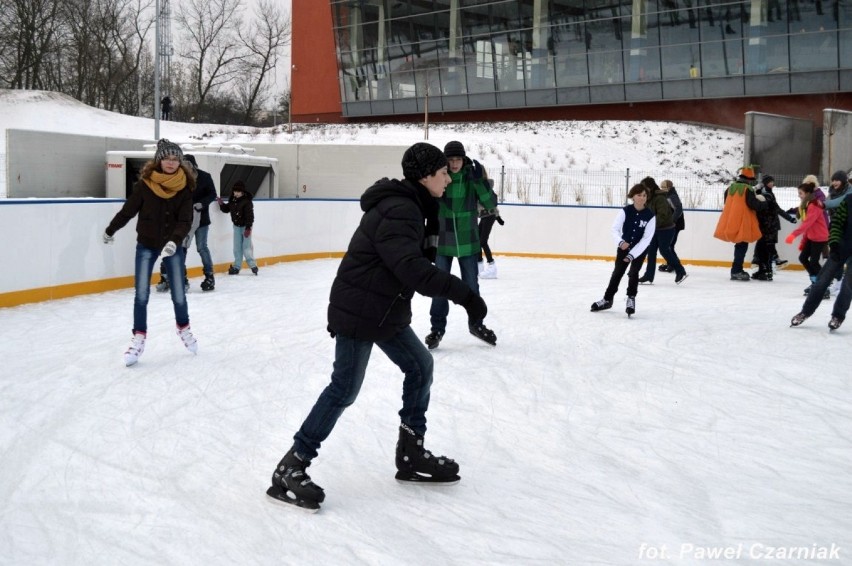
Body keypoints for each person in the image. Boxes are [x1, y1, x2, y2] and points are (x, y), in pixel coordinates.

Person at [266, 143, 489, 511]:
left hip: (384, 310)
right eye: (442, 172)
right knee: (344, 389)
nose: (449, 177)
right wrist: (464, 294)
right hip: (361, 310)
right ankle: (291, 466)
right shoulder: (400, 210)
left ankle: (411, 453)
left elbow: (414, 262)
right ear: (424, 176)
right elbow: (413, 270)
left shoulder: (417, 206)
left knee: (420, 366)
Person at [102, 139, 198, 366]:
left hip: (172, 246)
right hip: (147, 243)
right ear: (159, 160)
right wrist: (111, 229)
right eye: (167, 158)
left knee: (178, 293)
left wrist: (175, 241)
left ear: (180, 162)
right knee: (142, 294)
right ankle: (139, 337)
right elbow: (128, 211)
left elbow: (186, 220)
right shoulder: (145, 185)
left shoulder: (185, 188)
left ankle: (183, 328)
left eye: (175, 159)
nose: (171, 163)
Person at [424, 140, 498, 349]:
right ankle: (436, 329)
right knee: (439, 287)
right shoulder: (440, 177)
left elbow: (491, 203)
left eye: (458, 159)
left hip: (468, 241)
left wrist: (479, 182)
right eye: (451, 159)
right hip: (443, 241)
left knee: (471, 287)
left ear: (463, 159)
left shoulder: (471, 177)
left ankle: (476, 324)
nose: (454, 164)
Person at [590, 184, 656, 317]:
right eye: (639, 195)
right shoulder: (625, 211)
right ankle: (607, 299)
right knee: (617, 273)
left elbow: (646, 239)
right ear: (633, 196)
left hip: (639, 250)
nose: (642, 198)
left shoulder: (650, 216)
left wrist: (632, 255)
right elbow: (614, 229)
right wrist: (621, 242)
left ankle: (631, 298)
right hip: (623, 248)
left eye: (644, 195)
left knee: (633, 273)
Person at [790, 189, 852, 330]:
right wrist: (834, 243)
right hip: (841, 247)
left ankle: (838, 316)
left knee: (848, 285)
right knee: (821, 281)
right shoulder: (848, 200)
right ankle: (805, 312)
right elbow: (836, 223)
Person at [713, 166, 767, 281]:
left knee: (739, 246)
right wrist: (764, 203)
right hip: (743, 221)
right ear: (749, 179)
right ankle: (736, 270)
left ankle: (736, 269)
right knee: (742, 246)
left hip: (731, 220)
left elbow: (727, 202)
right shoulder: (748, 189)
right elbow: (754, 205)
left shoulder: (730, 188)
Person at [638, 176, 688, 284]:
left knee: (664, 250)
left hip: (666, 229)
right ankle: (648, 276)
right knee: (651, 252)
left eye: (644, 187)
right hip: (656, 229)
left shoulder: (659, 198)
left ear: (650, 187)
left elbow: (663, 215)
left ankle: (681, 271)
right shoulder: (649, 197)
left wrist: (652, 225)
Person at [785, 181, 829, 297]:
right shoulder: (806, 205)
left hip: (819, 238)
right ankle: (816, 282)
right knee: (803, 258)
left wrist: (793, 235)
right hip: (811, 237)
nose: (799, 195)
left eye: (801, 193)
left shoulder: (814, 205)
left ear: (808, 193)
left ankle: (823, 286)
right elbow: (808, 226)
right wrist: (804, 241)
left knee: (814, 262)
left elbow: (807, 224)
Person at [751, 174, 797, 280]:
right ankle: (764, 270)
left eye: (772, 182)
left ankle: (768, 270)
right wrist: (756, 189)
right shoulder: (764, 193)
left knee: (766, 248)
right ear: (765, 183)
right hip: (765, 225)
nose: (772, 183)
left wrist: (790, 218)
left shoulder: (769, 195)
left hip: (770, 226)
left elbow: (777, 209)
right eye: (769, 182)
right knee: (763, 248)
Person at [185, 155, 218, 291]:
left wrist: (202, 204)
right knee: (182, 248)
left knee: (202, 247)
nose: (185, 167)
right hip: (184, 220)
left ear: (193, 165)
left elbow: (212, 194)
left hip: (202, 220)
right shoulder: (180, 178)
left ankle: (209, 276)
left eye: (187, 164)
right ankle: (181, 277)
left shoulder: (205, 177)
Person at [218, 181, 258, 275]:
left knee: (246, 247)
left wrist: (248, 228)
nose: (236, 193)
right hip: (236, 226)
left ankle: (253, 265)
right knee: (237, 248)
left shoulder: (247, 202)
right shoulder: (233, 200)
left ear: (242, 192)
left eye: (238, 192)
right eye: (235, 191)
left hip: (246, 227)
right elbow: (227, 209)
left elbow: (250, 216)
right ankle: (236, 267)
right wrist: (221, 204)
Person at [823, 170, 850, 293]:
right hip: (835, 225)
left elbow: (838, 202)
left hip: (848, 227)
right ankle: (838, 280)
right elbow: (829, 203)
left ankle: (843, 281)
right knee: (836, 253)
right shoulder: (832, 192)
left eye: (837, 180)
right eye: (833, 180)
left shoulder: (849, 191)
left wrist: (822, 204)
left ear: (843, 181)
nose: (834, 182)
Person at [477, 174, 504, 280]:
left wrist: (498, 218)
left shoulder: (488, 193)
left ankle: (492, 265)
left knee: (483, 241)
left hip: (489, 217)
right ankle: (479, 266)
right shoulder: (480, 191)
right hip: (484, 217)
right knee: (478, 241)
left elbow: (493, 207)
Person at [657, 179, 684, 273]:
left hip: (674, 225)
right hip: (672, 225)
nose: (662, 189)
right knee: (668, 246)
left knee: (669, 246)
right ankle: (671, 263)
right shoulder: (667, 195)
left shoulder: (672, 196)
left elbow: (679, 208)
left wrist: (672, 221)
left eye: (664, 187)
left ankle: (674, 264)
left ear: (669, 187)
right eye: (661, 187)